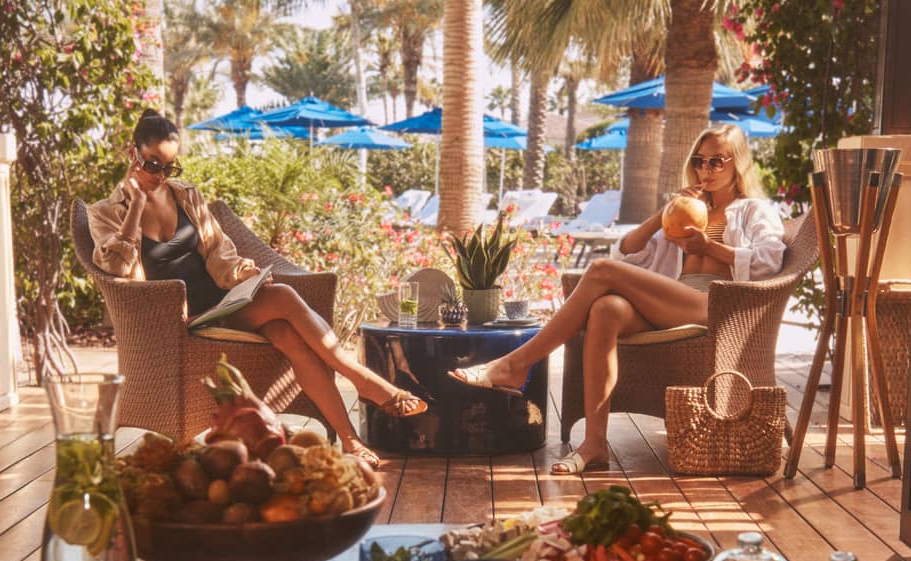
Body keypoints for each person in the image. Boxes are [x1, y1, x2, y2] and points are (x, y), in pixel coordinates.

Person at [87, 110, 425, 467]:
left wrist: (247, 276)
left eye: (170, 167)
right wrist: (136, 207)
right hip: (176, 320)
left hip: (221, 305)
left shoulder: (186, 195)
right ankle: (362, 381)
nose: (161, 176)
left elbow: (219, 254)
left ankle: (350, 440)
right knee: (284, 299)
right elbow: (116, 268)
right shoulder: (105, 212)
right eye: (153, 165)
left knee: (285, 331)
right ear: (133, 153)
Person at [450, 124, 786, 474]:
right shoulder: (688, 210)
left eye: (717, 161)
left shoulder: (753, 210)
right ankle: (595, 445)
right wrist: (665, 213)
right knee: (606, 309)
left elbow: (770, 260)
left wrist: (710, 247)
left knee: (600, 270)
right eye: (699, 161)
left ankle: (517, 364)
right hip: (673, 299)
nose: (706, 170)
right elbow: (627, 252)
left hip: (716, 305)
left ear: (737, 164)